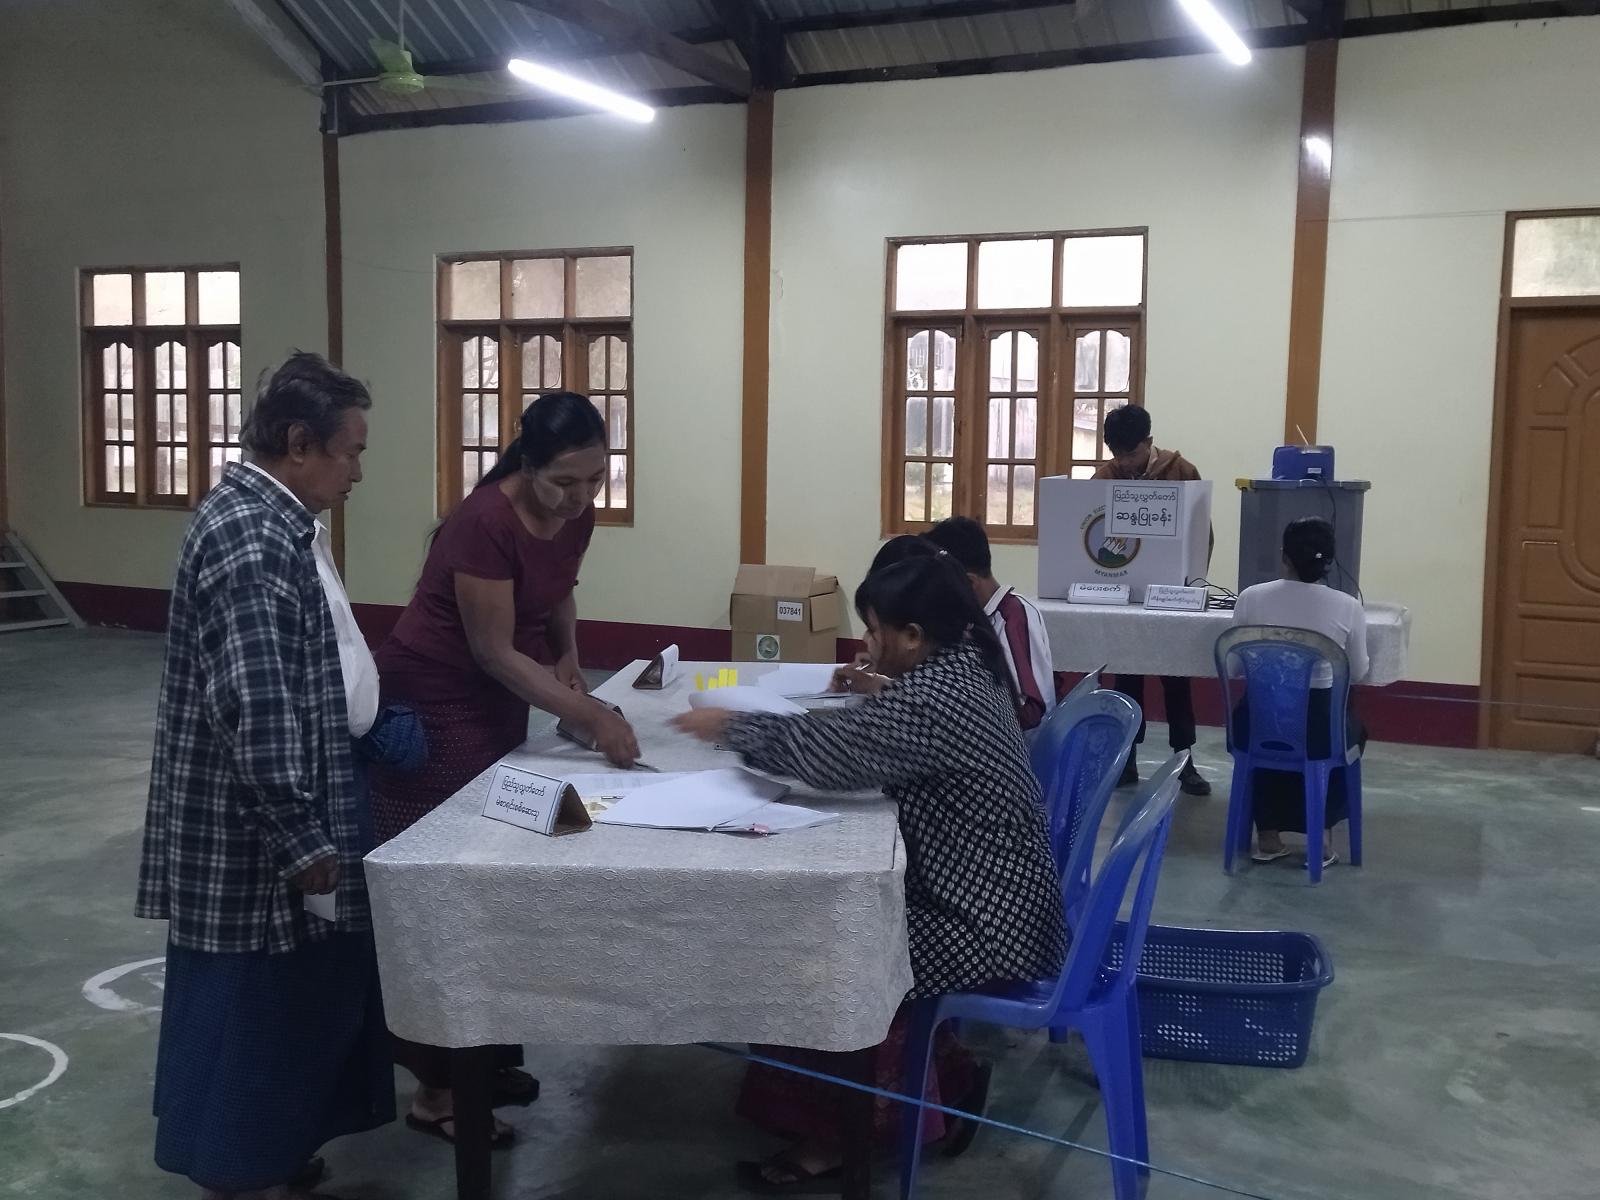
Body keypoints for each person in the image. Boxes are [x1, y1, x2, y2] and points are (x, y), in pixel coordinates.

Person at [674, 555, 1066, 1192]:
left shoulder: (938, 697)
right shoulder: (965, 668)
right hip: (994, 896)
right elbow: (880, 731)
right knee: (834, 924)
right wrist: (874, 690)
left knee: (830, 949)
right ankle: (950, 1081)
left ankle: (842, 1134)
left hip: (980, 920)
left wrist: (731, 725)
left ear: (913, 635)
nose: (867, 641)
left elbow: (837, 754)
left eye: (875, 629)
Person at [137, 352, 394, 1200]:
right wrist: (298, 833)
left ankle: (269, 1152)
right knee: (250, 1006)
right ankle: (239, 1170)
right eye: (351, 452)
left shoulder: (273, 522)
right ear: (298, 443)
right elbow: (256, 703)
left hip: (283, 810)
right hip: (250, 837)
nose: (358, 472)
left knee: (293, 1004)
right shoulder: (250, 540)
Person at [368, 391, 639, 1148]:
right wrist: (590, 716)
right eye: (564, 482)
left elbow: (558, 597)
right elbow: (491, 651)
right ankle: (438, 1090)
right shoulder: (483, 521)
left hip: (499, 699)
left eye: (596, 479)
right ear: (527, 463)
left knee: (492, 873)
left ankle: (484, 1060)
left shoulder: (576, 513)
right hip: (435, 700)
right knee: (443, 883)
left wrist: (571, 665)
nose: (580, 498)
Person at [1230, 517, 1369, 866]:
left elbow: (1234, 667)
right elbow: (1358, 671)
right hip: (1319, 727)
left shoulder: (1251, 598)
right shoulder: (1348, 606)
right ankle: (1321, 838)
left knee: (1266, 728)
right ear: (1329, 561)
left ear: (1284, 556)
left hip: (1258, 724)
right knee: (1348, 732)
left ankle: (1267, 837)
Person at [1094, 404, 1211, 796]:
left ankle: (1185, 759)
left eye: (1131, 453)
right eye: (1117, 454)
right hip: (1125, 597)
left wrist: (1193, 583)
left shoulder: (1182, 472)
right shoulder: (1106, 476)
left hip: (1171, 597)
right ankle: (1126, 759)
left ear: (1149, 442)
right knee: (1126, 678)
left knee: (1176, 678)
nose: (1124, 462)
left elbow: (1202, 533)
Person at [926, 516, 1055, 733]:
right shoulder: (977, 619)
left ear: (970, 582)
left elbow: (1030, 710)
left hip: (1024, 744)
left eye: (943, 589)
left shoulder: (1012, 617)